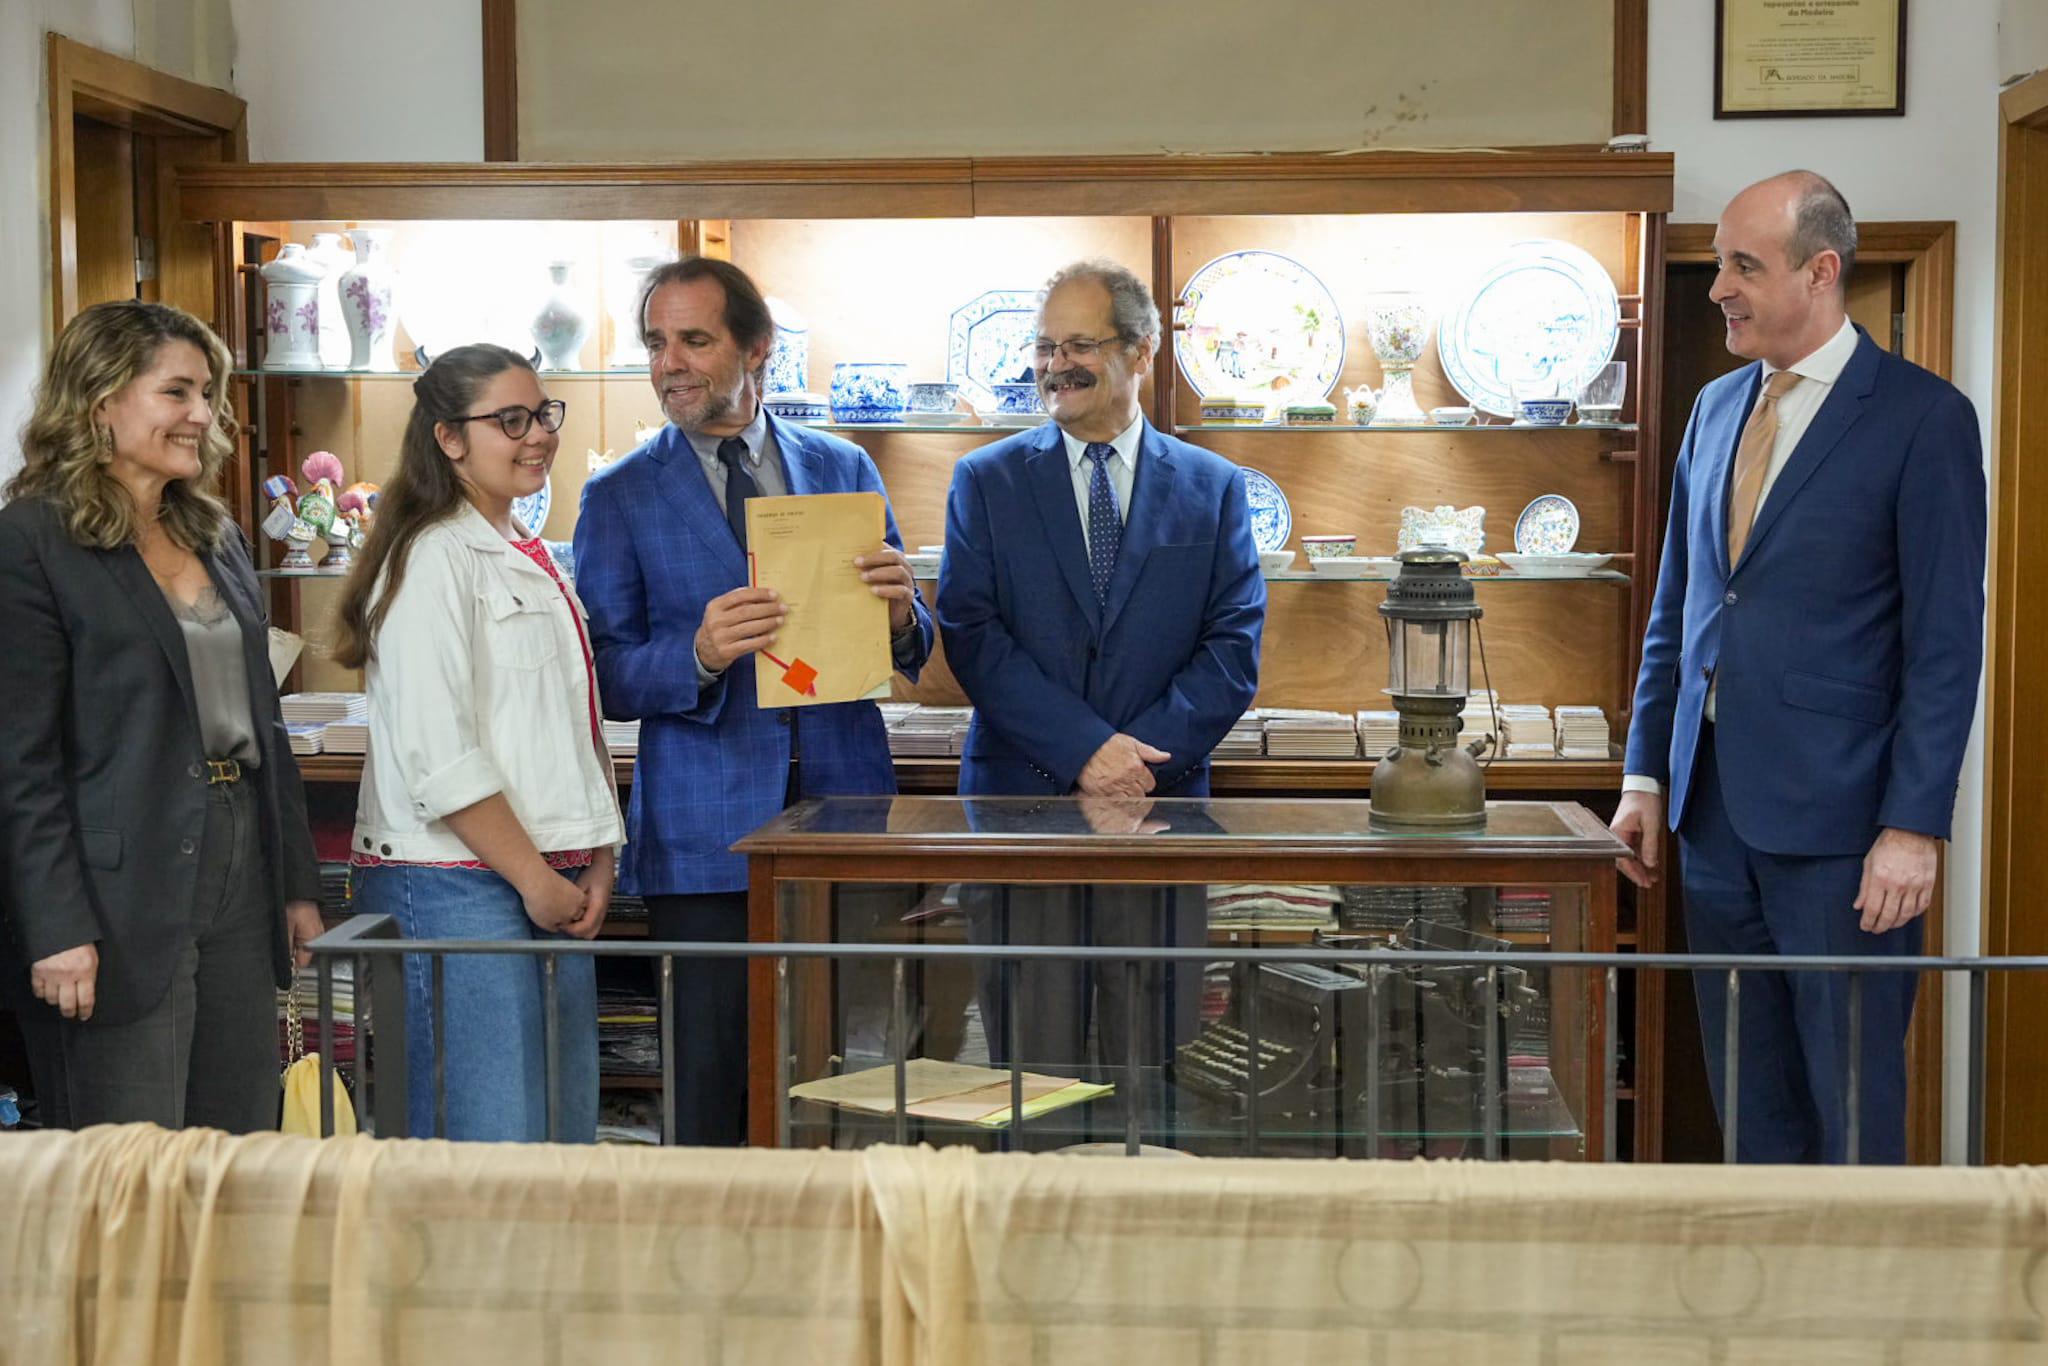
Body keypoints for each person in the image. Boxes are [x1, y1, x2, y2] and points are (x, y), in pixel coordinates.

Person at [1611, 171, 1987, 1164]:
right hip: (1710, 816)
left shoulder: (1920, 419)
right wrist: (1646, 774)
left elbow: (1945, 646)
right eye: (1719, 263)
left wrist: (1910, 825)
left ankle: (1866, 1314)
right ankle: (1762, 1303)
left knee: (1849, 1097)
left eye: (1743, 265)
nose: (1716, 288)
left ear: (1820, 273)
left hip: (1845, 832)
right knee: (1749, 1092)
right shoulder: (1710, 409)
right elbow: (1679, 610)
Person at [574, 257, 933, 1145]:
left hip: (845, 816)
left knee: (849, 1073)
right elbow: (606, 674)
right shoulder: (617, 496)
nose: (671, 364)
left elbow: (915, 647)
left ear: (758, 349)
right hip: (705, 832)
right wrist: (695, 654)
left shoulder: (843, 467)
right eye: (658, 343)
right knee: (710, 1079)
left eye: (694, 340)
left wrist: (899, 615)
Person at [0, 300, 325, 1131]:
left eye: (208, 394)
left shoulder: (215, 533)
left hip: (239, 860)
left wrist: (293, 885)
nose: (202, 415)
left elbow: (268, 723)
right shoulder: (31, 540)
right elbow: (19, 762)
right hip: (111, 890)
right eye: (177, 392)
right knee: (130, 1166)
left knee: (234, 1146)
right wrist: (57, 928)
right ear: (101, 399)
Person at [937, 258, 1265, 1078]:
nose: (1055, 365)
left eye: (1079, 344)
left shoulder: (1216, 488)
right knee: (1030, 1075)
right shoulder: (984, 482)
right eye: (1044, 346)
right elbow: (971, 634)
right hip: (1021, 813)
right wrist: (1087, 751)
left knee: (1148, 1075)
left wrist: (1134, 761)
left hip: (1159, 814)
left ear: (1142, 351)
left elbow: (1232, 651)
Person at [333, 344, 623, 1143]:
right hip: (458, 882)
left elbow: (574, 724)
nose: (537, 435)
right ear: (447, 438)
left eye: (542, 414)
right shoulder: (431, 556)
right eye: (510, 420)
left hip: (546, 877)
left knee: (561, 1138)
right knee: (491, 1144)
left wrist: (598, 857)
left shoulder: (526, 550)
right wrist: (537, 879)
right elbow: (441, 756)